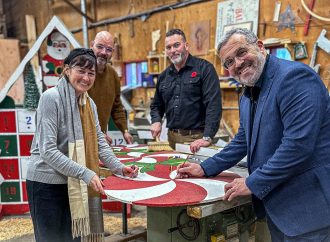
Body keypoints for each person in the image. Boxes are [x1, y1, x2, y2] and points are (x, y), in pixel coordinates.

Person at [176, 28, 330, 241]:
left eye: (241, 52)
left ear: (259, 46)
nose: (237, 63)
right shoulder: (248, 93)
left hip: (309, 208)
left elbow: (297, 146)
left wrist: (252, 182)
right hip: (279, 208)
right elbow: (242, 140)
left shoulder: (294, 77)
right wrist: (204, 167)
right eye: (229, 62)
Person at [26, 48, 138, 242]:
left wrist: (119, 167)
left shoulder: (89, 104)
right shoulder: (50, 98)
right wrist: (86, 173)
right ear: (67, 70)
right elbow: (48, 151)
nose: (86, 78)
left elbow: (99, 143)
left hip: (72, 183)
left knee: (75, 237)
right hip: (46, 185)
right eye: (81, 71)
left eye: (91, 73)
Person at [150, 28, 221, 151]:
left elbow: (213, 105)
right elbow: (156, 105)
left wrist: (207, 137)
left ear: (186, 46)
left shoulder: (204, 69)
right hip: (171, 138)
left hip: (197, 139)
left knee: (193, 170)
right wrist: (156, 120)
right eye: (168, 47)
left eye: (176, 45)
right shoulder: (163, 76)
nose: (173, 50)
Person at [89, 31, 133, 144]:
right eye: (100, 47)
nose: (104, 52)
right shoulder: (82, 73)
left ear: (112, 52)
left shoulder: (113, 75)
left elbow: (117, 106)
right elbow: (75, 111)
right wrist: (96, 133)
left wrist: (125, 130)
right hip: (80, 138)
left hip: (100, 139)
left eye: (108, 49)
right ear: (91, 45)